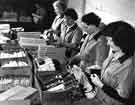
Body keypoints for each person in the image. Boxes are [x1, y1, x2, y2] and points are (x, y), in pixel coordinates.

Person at [72, 21, 135, 105]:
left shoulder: (129, 66)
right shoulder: (115, 52)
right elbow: (109, 72)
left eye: (110, 41)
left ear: (121, 42)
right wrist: (89, 71)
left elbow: (123, 97)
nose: (108, 44)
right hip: (99, 94)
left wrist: (101, 85)